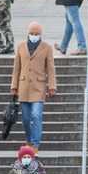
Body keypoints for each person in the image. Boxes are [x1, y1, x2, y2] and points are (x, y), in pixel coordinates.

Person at [10, 21, 57, 153]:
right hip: (23, 87)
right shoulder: (20, 47)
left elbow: (51, 69)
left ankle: (35, 145)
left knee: (36, 115)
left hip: (39, 87)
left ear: (40, 35)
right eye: (31, 33)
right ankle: (29, 140)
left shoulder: (47, 48)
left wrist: (52, 86)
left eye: (36, 34)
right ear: (28, 33)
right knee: (25, 118)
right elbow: (16, 68)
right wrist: (14, 86)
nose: (34, 36)